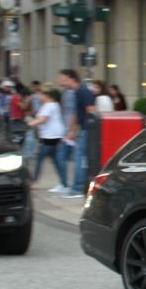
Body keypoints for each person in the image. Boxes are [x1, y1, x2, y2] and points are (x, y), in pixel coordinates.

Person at [55, 69, 95, 198]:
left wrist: (78, 131)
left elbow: (91, 112)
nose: (60, 81)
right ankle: (78, 186)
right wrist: (72, 131)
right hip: (83, 130)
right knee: (80, 157)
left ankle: (78, 187)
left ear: (70, 78)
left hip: (86, 130)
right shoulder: (77, 92)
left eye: (62, 78)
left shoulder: (82, 91)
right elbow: (76, 114)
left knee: (80, 157)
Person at [27, 88, 67, 191]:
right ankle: (63, 183)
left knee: (40, 159)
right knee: (55, 160)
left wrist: (30, 124)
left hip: (50, 136)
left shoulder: (48, 106)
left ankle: (34, 182)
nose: (38, 97)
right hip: (54, 135)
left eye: (40, 95)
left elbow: (43, 119)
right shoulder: (54, 104)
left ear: (46, 95)